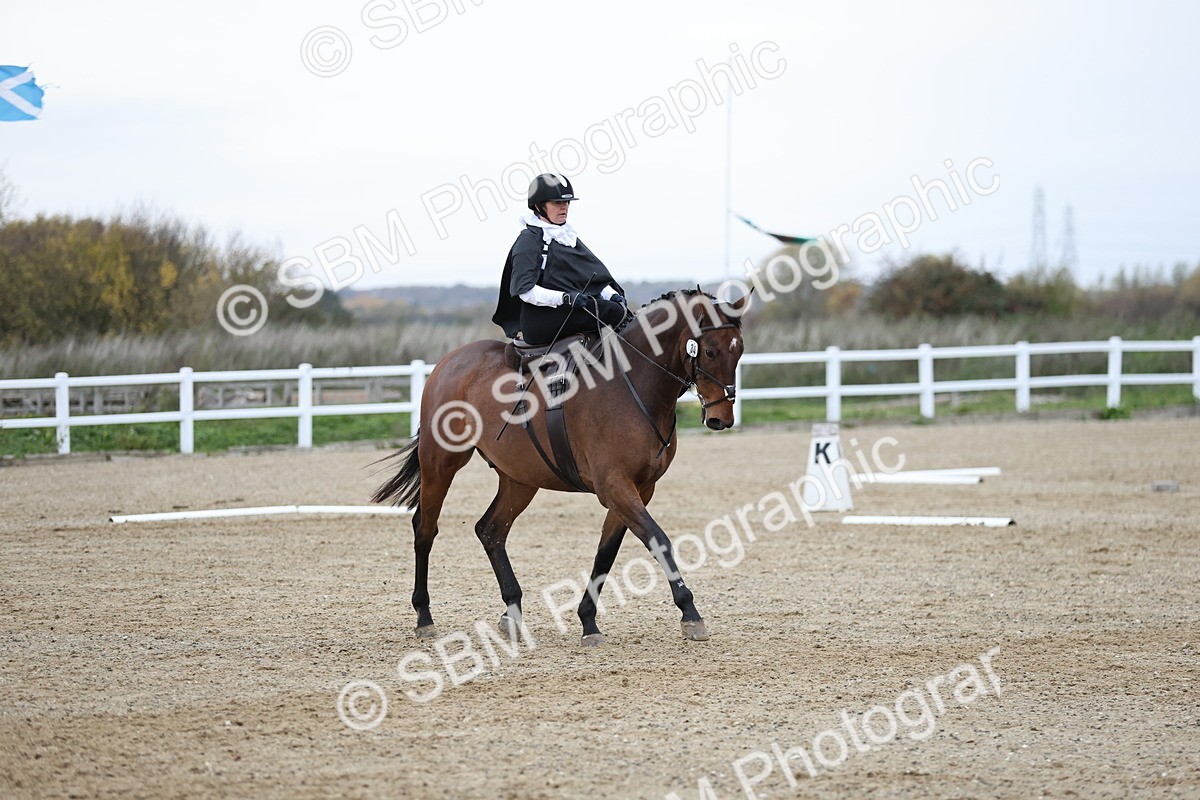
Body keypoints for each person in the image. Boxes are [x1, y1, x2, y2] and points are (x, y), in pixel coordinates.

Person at [492, 173, 628, 344]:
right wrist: (564, 298)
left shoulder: (567, 236)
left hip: (568, 312)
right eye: (557, 203)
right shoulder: (528, 241)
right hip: (541, 320)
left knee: (621, 310)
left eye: (566, 202)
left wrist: (612, 295)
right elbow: (525, 292)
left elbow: (592, 277)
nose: (564, 207)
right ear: (538, 206)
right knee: (612, 312)